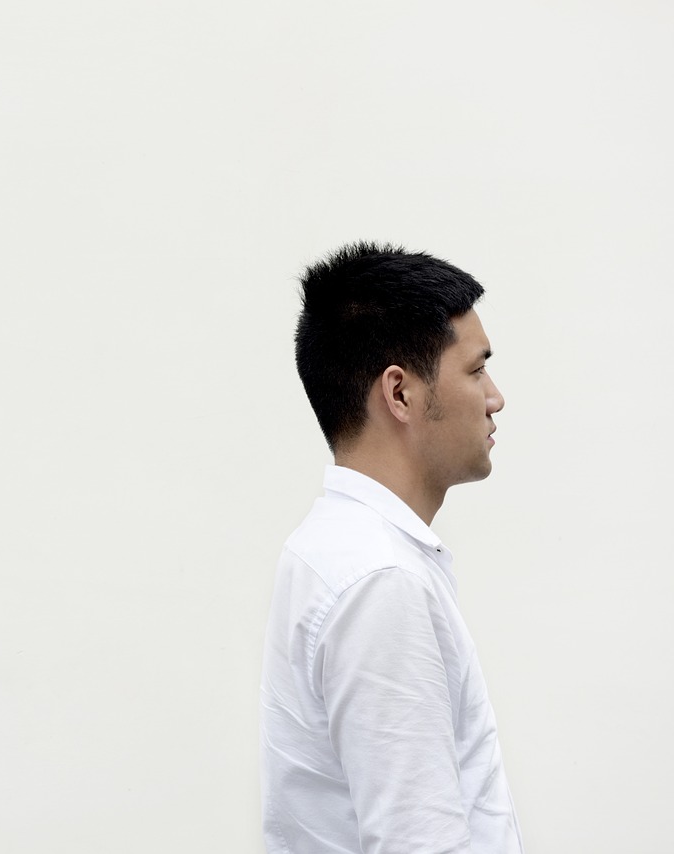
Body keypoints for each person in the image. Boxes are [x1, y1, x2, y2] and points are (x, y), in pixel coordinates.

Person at [261, 243, 523, 853]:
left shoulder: (335, 549)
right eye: (476, 370)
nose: (495, 397)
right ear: (399, 393)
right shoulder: (379, 579)